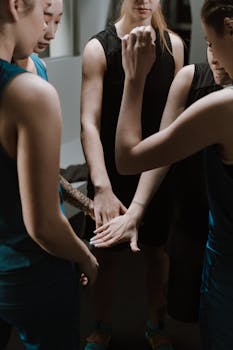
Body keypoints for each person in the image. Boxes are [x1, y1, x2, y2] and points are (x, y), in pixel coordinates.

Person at [93, 0, 233, 348]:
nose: (211, 52)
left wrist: (134, 78)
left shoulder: (223, 105)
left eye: (212, 42)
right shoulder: (192, 80)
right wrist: (134, 206)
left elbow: (129, 157)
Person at [80, 1, 184, 349]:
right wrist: (101, 185)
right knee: (107, 257)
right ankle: (101, 326)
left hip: (155, 171)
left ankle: (156, 324)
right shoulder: (99, 48)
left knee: (156, 253)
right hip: (111, 172)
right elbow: (89, 124)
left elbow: (173, 123)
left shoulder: (174, 46)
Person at [0, 1, 98, 350]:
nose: (50, 31)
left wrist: (86, 203)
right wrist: (83, 255)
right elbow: (42, 223)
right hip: (30, 265)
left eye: (58, 19)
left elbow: (37, 175)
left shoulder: (36, 70)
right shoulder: (29, 94)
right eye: (45, 14)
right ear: (17, 7)